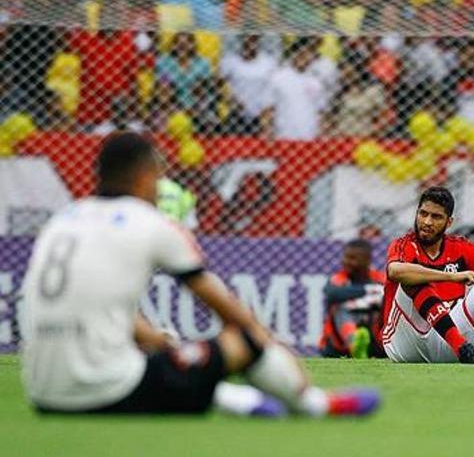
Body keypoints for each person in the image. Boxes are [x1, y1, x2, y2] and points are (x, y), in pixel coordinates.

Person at [20, 132, 380, 416]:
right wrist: (275, 350)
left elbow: (92, 301)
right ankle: (313, 404)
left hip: (42, 393)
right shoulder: (151, 222)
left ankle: (238, 402)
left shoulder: (63, 220)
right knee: (243, 341)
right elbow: (227, 310)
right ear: (146, 177)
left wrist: (159, 343)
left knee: (163, 350)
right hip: (105, 391)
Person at [382, 186, 474, 364]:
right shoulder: (404, 245)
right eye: (423, 214)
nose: (427, 222)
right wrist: (454, 276)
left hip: (446, 338)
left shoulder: (459, 247)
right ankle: (461, 347)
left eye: (436, 217)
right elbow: (396, 271)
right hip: (406, 343)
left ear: (449, 222)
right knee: (412, 277)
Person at [319, 239, 386, 359]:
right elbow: (332, 294)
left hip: (374, 338)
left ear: (367, 260)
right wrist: (368, 290)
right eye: (346, 257)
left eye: (352, 258)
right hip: (338, 347)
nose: (346, 262)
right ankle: (354, 343)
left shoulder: (380, 279)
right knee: (340, 307)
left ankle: (369, 346)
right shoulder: (338, 278)